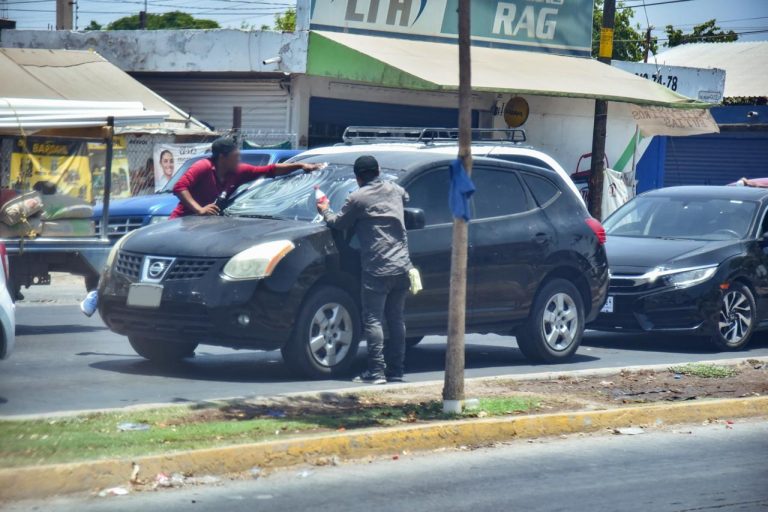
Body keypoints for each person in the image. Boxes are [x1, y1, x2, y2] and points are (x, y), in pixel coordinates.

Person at [80, 137, 321, 317]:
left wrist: (301, 167)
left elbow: (269, 170)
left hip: (206, 230)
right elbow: (180, 187)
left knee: (171, 283)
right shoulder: (203, 167)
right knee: (152, 276)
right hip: (182, 226)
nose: (239, 160)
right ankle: (99, 293)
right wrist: (199, 209)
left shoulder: (237, 173)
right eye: (235, 156)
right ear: (222, 157)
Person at [317, 155, 413, 385]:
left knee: (373, 320)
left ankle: (376, 372)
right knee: (396, 319)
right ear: (378, 170)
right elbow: (406, 197)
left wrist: (324, 210)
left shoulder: (357, 197)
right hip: (402, 265)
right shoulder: (396, 190)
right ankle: (397, 370)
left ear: (357, 177)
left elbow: (339, 223)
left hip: (376, 267)